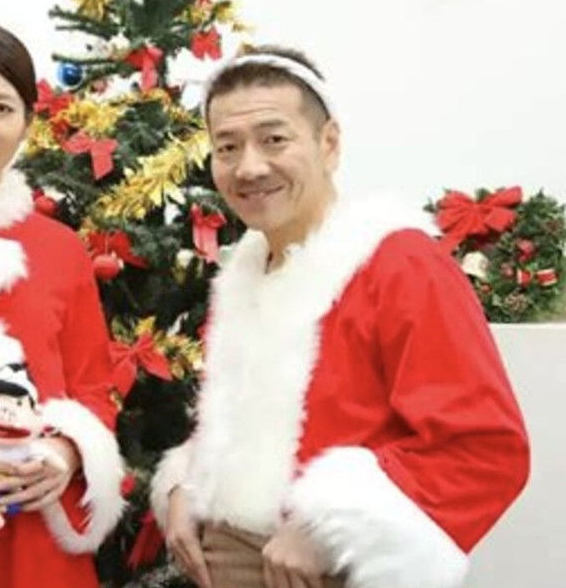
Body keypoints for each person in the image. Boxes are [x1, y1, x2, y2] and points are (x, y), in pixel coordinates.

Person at [150, 45, 530, 588]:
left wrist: (328, 527)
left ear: (328, 143)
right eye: (227, 147)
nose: (249, 167)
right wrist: (187, 484)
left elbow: (484, 449)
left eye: (274, 139)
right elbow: (243, 427)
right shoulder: (243, 276)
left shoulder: (400, 263)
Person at [0, 23, 124, 588]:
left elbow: (94, 389)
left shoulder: (60, 250)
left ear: (28, 124)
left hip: (35, 544)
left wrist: (66, 452)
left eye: (0, 108)